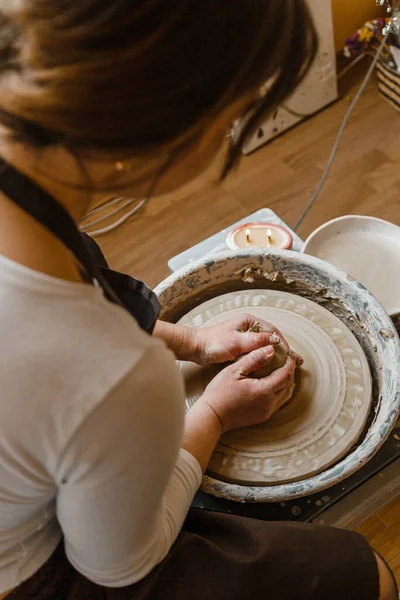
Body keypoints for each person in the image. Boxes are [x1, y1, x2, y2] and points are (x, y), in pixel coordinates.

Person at [0, 1, 397, 599]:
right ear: (161, 127)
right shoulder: (118, 375)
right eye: (235, 115)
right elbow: (116, 565)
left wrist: (189, 339)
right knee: (369, 577)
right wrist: (211, 416)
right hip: (35, 574)